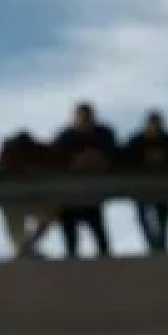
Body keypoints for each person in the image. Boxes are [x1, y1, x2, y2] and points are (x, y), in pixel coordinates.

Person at [53, 102, 116, 258]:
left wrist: (94, 160)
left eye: (88, 118)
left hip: (92, 194)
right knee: (70, 239)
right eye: (82, 118)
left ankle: (106, 263)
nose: (85, 121)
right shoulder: (65, 136)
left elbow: (112, 157)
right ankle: (71, 265)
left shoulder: (103, 134)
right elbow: (55, 160)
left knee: (100, 236)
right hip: (68, 196)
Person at [122, 110, 168, 255]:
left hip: (164, 186)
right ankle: (153, 245)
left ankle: (162, 245)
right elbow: (126, 161)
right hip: (141, 187)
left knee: (164, 216)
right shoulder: (136, 140)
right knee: (143, 216)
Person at [0, 130, 58, 258]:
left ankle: (26, 247)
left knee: (53, 209)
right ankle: (23, 249)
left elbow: (54, 166)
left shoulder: (40, 152)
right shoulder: (8, 154)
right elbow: (1, 175)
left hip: (37, 197)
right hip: (12, 199)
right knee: (12, 216)